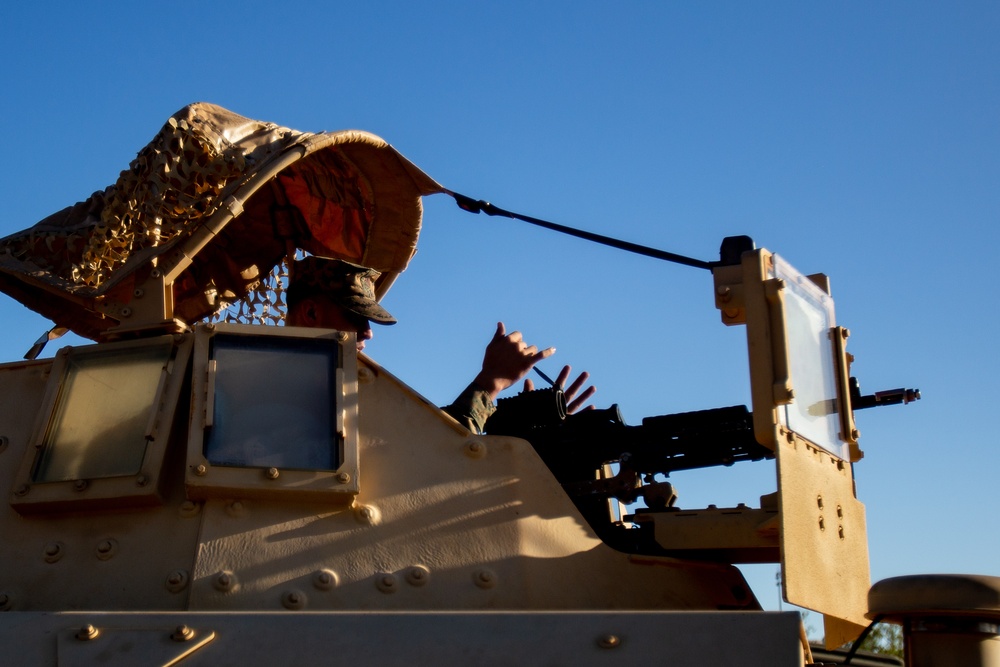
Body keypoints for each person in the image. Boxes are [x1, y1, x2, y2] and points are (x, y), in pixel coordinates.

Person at [285, 256, 595, 433]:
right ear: (311, 312)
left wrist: (522, 423)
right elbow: (426, 453)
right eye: (356, 317)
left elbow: (423, 442)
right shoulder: (286, 386)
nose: (368, 334)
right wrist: (491, 382)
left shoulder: (339, 392)